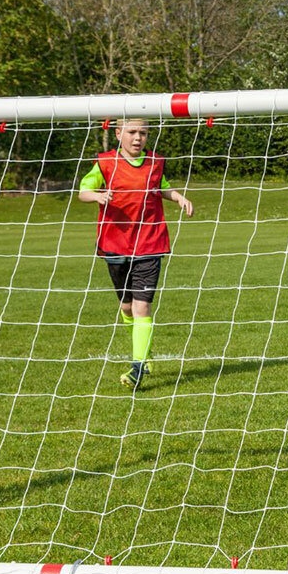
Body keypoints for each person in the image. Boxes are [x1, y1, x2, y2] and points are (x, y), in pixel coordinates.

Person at [78, 118, 193, 390]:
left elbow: (161, 186)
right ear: (119, 134)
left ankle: (137, 367)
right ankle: (145, 352)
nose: (138, 137)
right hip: (115, 243)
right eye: (131, 132)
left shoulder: (154, 162)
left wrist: (178, 197)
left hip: (150, 243)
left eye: (143, 132)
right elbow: (83, 191)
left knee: (142, 306)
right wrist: (97, 196)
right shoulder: (106, 163)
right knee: (127, 307)